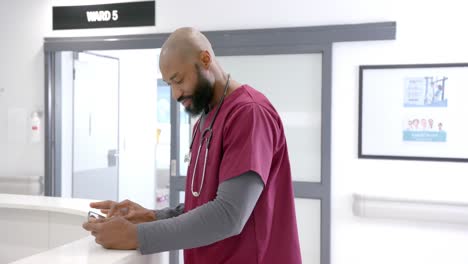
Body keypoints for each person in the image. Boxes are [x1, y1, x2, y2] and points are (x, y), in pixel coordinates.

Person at [82, 27, 302, 264]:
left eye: (179, 80)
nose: (176, 94)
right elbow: (205, 201)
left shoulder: (249, 113)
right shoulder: (204, 121)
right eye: (169, 84)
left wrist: (136, 236)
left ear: (205, 59)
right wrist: (152, 216)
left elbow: (229, 215)